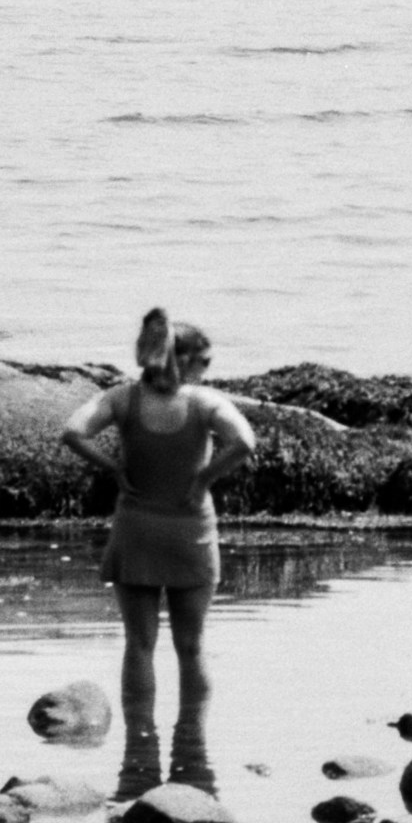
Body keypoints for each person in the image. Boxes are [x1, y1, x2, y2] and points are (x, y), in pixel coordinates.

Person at [60, 307, 257, 797]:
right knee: (191, 648)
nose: (208, 370)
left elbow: (72, 432)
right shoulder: (205, 402)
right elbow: (245, 442)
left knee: (139, 644)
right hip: (190, 531)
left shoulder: (122, 399)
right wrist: (204, 479)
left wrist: (113, 468)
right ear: (184, 360)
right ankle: (192, 745)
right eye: (204, 361)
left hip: (137, 529)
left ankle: (139, 752)